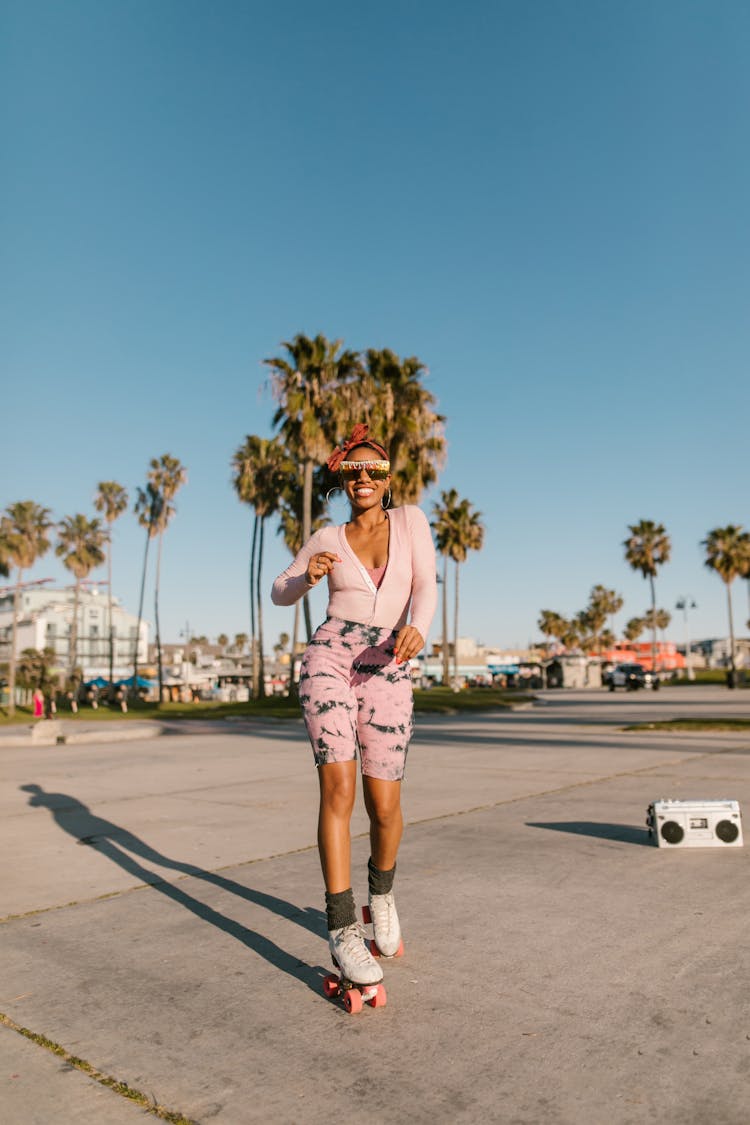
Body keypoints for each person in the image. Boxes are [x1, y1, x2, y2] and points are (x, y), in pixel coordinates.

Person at [272, 424, 437, 988]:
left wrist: (418, 628)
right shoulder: (326, 536)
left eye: (373, 471)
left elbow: (426, 587)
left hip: (389, 658)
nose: (363, 479)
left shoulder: (412, 521)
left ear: (388, 477)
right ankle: (343, 929)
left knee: (384, 804)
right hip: (331, 656)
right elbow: (280, 589)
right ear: (342, 479)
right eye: (352, 472)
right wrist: (305, 576)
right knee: (338, 787)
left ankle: (381, 897)